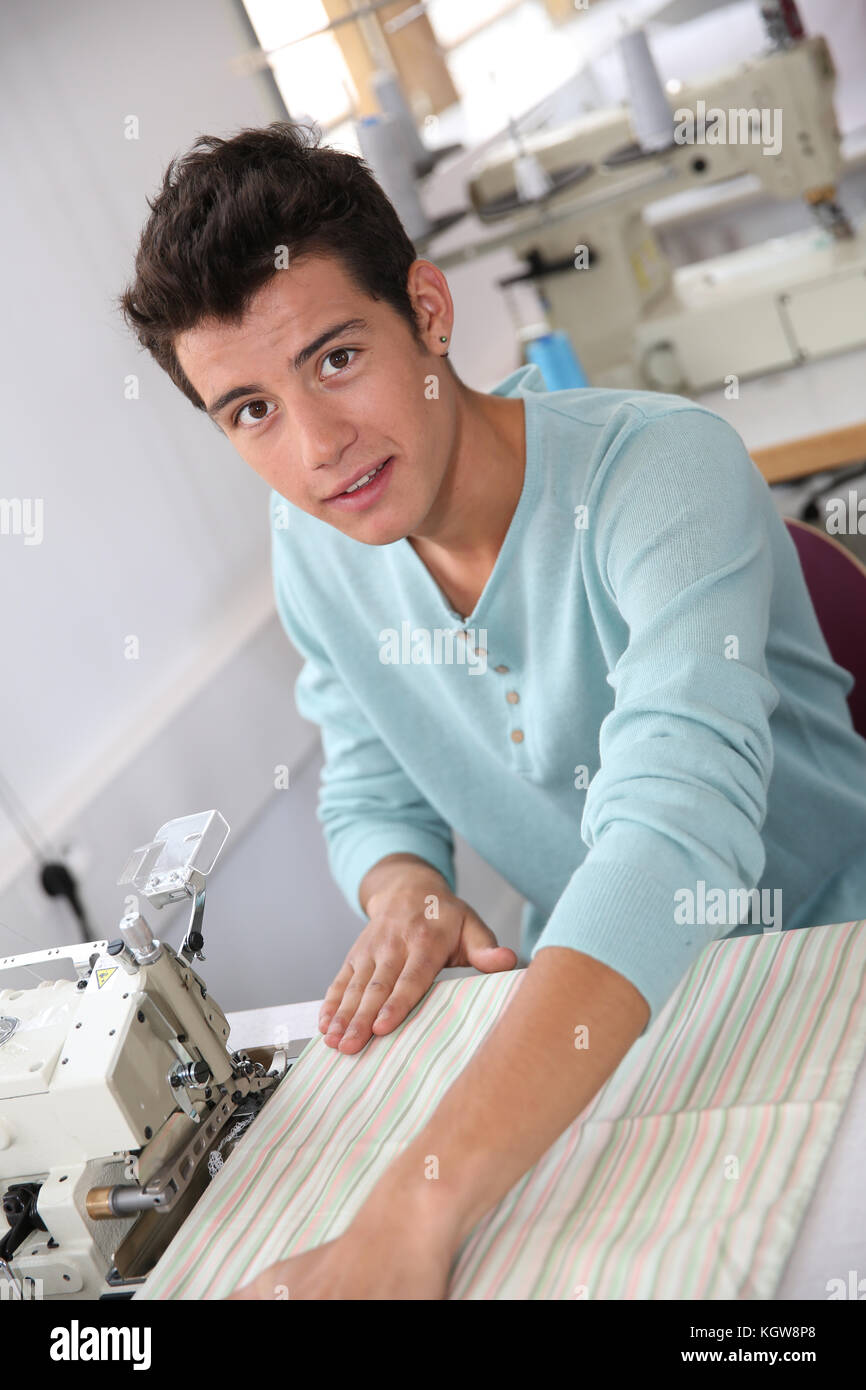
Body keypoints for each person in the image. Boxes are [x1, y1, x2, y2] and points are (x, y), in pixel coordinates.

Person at [118, 121, 866, 1300]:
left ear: (426, 307)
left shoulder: (658, 471)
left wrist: (407, 1219)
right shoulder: (316, 547)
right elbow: (370, 776)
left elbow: (675, 835)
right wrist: (403, 885)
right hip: (597, 998)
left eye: (333, 357)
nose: (317, 447)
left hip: (826, 951)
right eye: (249, 409)